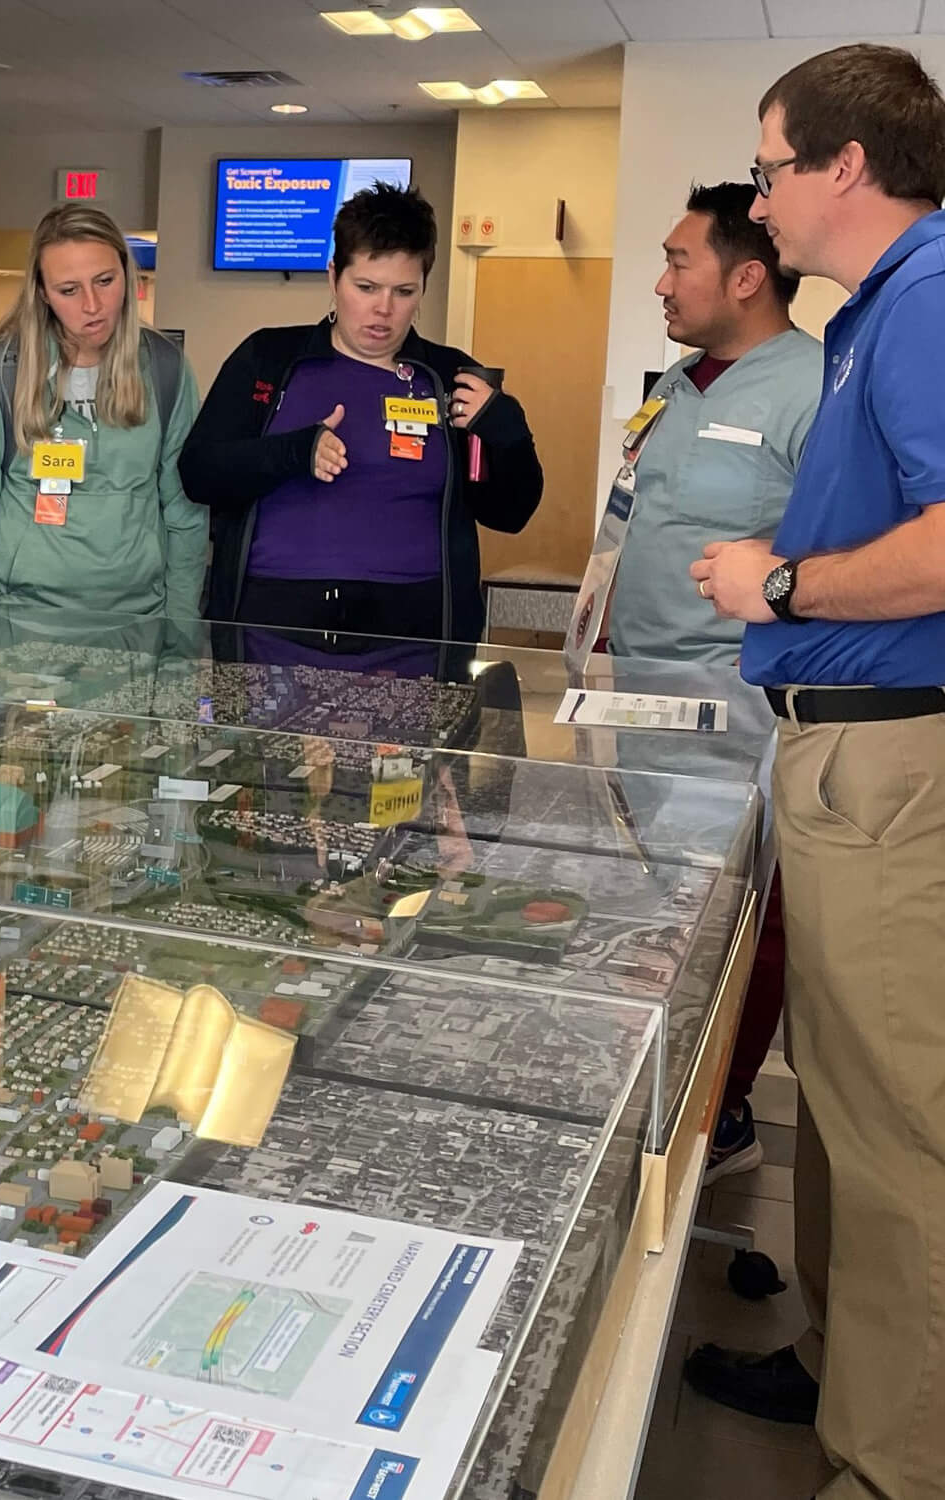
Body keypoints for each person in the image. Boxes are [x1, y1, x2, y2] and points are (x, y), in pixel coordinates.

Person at [684, 45, 945, 1496]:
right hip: (850, 756)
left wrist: (780, 585)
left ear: (846, 165)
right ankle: (853, 1363)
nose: (761, 197)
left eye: (773, 165)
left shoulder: (930, 303)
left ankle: (901, 1461)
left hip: (895, 761)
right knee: (843, 1108)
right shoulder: (880, 315)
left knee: (903, 1132)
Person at [609, 180, 821, 1186]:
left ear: (745, 276)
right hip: (636, 703)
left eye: (677, 260)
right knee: (652, 918)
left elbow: (835, 555)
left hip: (734, 718)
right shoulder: (673, 383)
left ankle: (716, 1110)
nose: (660, 281)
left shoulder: (810, 388)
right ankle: (653, 1091)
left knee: (731, 923)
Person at [179, 183, 541, 645]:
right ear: (334, 278)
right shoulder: (268, 358)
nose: (383, 309)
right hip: (272, 634)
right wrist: (292, 453)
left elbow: (510, 513)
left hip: (415, 642)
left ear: (423, 288)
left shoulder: (449, 375)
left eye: (404, 291)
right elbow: (198, 473)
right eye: (366, 287)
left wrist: (508, 434)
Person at [0, 204, 205, 619]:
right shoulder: (3, 373)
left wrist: (181, 629)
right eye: (69, 290)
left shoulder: (166, 370)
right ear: (43, 293)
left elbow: (185, 514)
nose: (93, 305)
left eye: (105, 281)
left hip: (138, 622)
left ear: (126, 273)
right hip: (22, 621)